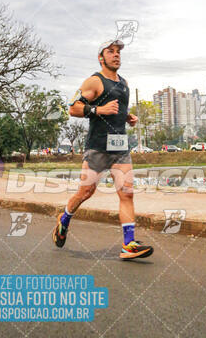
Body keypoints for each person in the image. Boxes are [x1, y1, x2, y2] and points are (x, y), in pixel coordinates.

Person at [52, 40, 154, 260]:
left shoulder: (124, 83)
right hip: (97, 147)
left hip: (120, 147)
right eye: (111, 52)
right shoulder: (94, 81)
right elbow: (73, 108)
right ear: (101, 57)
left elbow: (117, 110)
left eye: (118, 52)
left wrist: (128, 117)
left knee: (127, 193)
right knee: (86, 192)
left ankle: (128, 245)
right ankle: (64, 220)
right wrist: (99, 109)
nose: (116, 55)